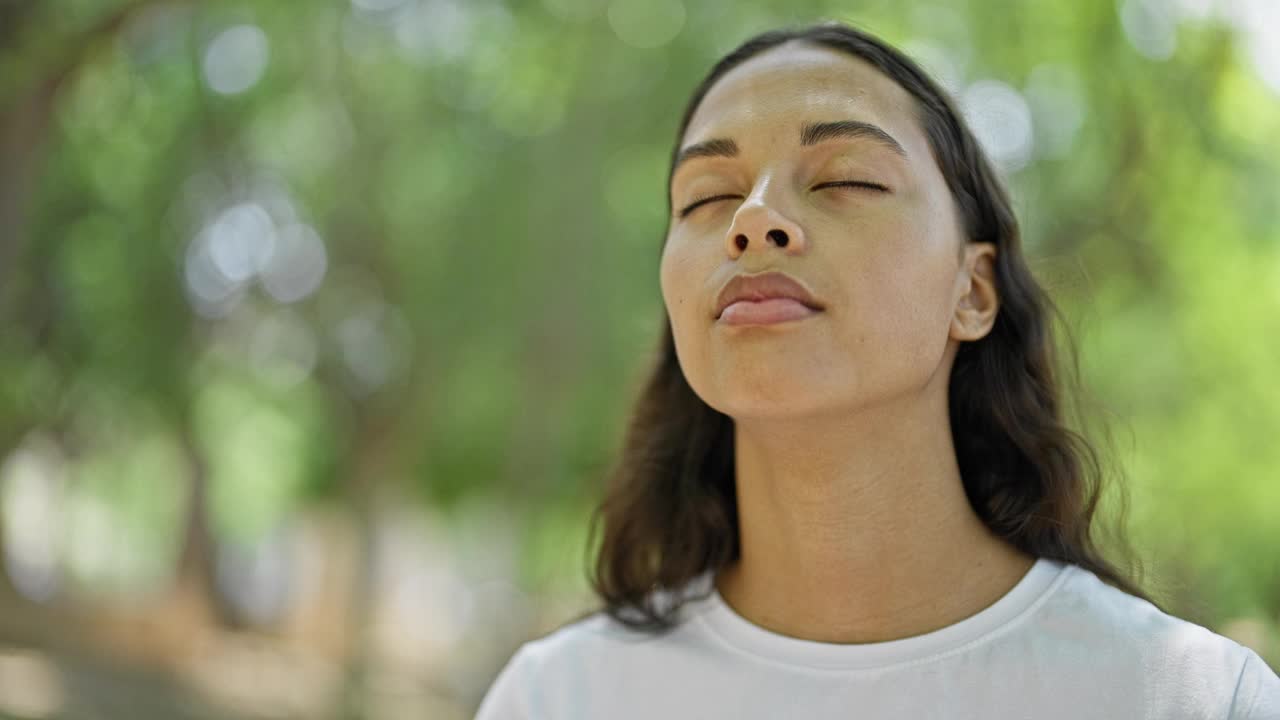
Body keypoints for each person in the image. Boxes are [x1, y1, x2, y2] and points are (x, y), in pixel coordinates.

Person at [474, 20, 1280, 719]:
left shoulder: (1187, 699)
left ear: (972, 291)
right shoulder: (559, 701)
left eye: (846, 179)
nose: (754, 220)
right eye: (705, 198)